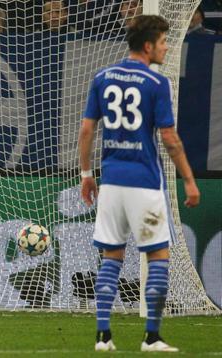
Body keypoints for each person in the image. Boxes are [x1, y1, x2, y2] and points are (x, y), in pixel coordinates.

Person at [78, 15, 200, 352]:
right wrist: (189, 179)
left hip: (112, 182)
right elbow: (170, 138)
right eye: (163, 42)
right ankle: (152, 336)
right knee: (158, 256)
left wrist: (87, 175)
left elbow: (87, 129)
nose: (166, 47)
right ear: (148, 46)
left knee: (111, 257)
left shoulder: (102, 77)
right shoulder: (156, 83)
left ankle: (103, 336)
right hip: (144, 182)